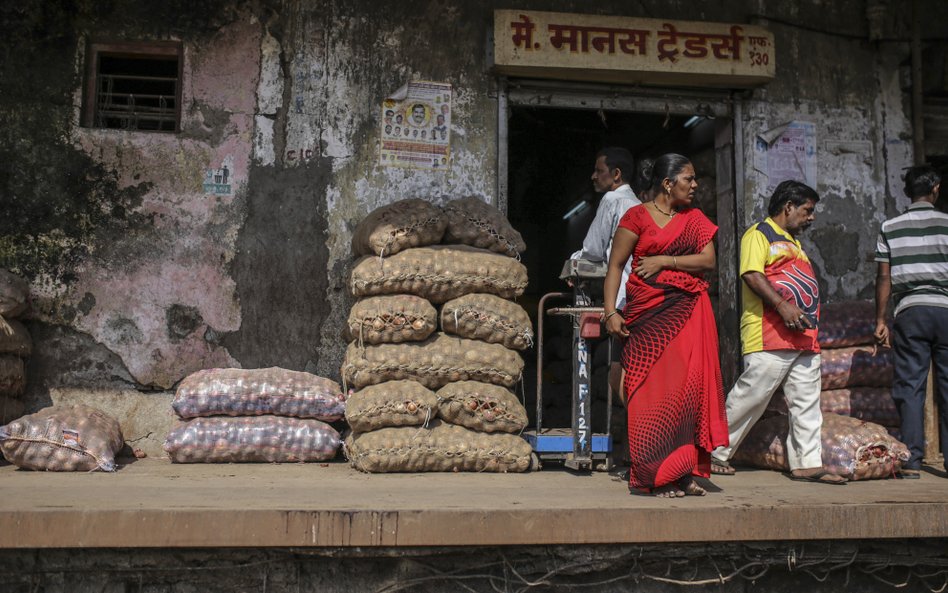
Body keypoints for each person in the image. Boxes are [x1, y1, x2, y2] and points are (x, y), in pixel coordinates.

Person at [603, 153, 728, 498]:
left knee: (686, 393)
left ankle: (682, 472)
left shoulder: (695, 218)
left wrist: (664, 260)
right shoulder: (636, 216)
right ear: (667, 183)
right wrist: (610, 311)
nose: (695, 185)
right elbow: (615, 266)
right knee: (650, 394)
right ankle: (652, 476)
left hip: (688, 314)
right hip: (648, 316)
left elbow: (708, 260)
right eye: (688, 179)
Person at [709, 180, 846, 485]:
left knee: (806, 401)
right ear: (788, 207)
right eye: (807, 211)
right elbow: (752, 274)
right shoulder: (760, 233)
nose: (811, 218)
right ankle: (713, 452)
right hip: (769, 332)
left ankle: (807, 463)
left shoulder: (794, 243)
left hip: (804, 338)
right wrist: (784, 307)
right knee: (752, 395)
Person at [874, 165, 948, 479]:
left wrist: (880, 319)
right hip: (945, 310)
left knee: (910, 387)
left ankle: (913, 460)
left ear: (908, 192)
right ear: (935, 189)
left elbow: (884, 277)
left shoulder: (890, 227)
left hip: (910, 312)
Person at [570, 147, 641, 311]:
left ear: (616, 174)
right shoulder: (638, 205)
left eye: (599, 171)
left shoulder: (612, 199)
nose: (593, 176)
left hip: (621, 293)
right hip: (639, 295)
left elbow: (593, 250)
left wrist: (574, 259)